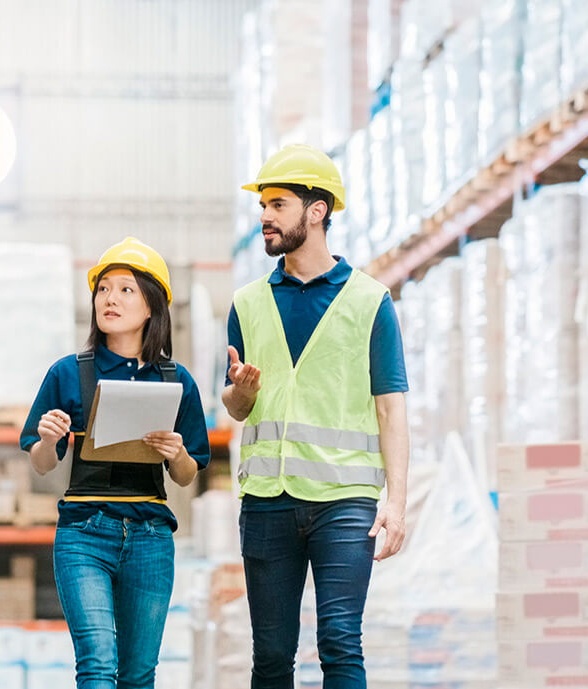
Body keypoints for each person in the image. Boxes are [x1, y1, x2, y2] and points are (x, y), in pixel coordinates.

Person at [223, 144, 410, 689]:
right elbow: (236, 409)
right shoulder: (247, 303)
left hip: (345, 502)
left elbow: (390, 406)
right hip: (267, 503)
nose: (264, 217)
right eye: (262, 205)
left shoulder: (370, 301)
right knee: (273, 657)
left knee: (340, 645)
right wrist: (241, 394)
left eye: (277, 204)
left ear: (317, 210)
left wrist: (395, 504)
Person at [21, 237, 211, 689]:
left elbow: (187, 475)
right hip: (84, 534)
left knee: (138, 674)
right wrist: (48, 439)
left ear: (153, 306)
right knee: (98, 664)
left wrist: (177, 453)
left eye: (126, 289)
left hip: (150, 539)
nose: (110, 298)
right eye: (104, 288)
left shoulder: (176, 380)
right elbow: (42, 464)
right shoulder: (68, 372)